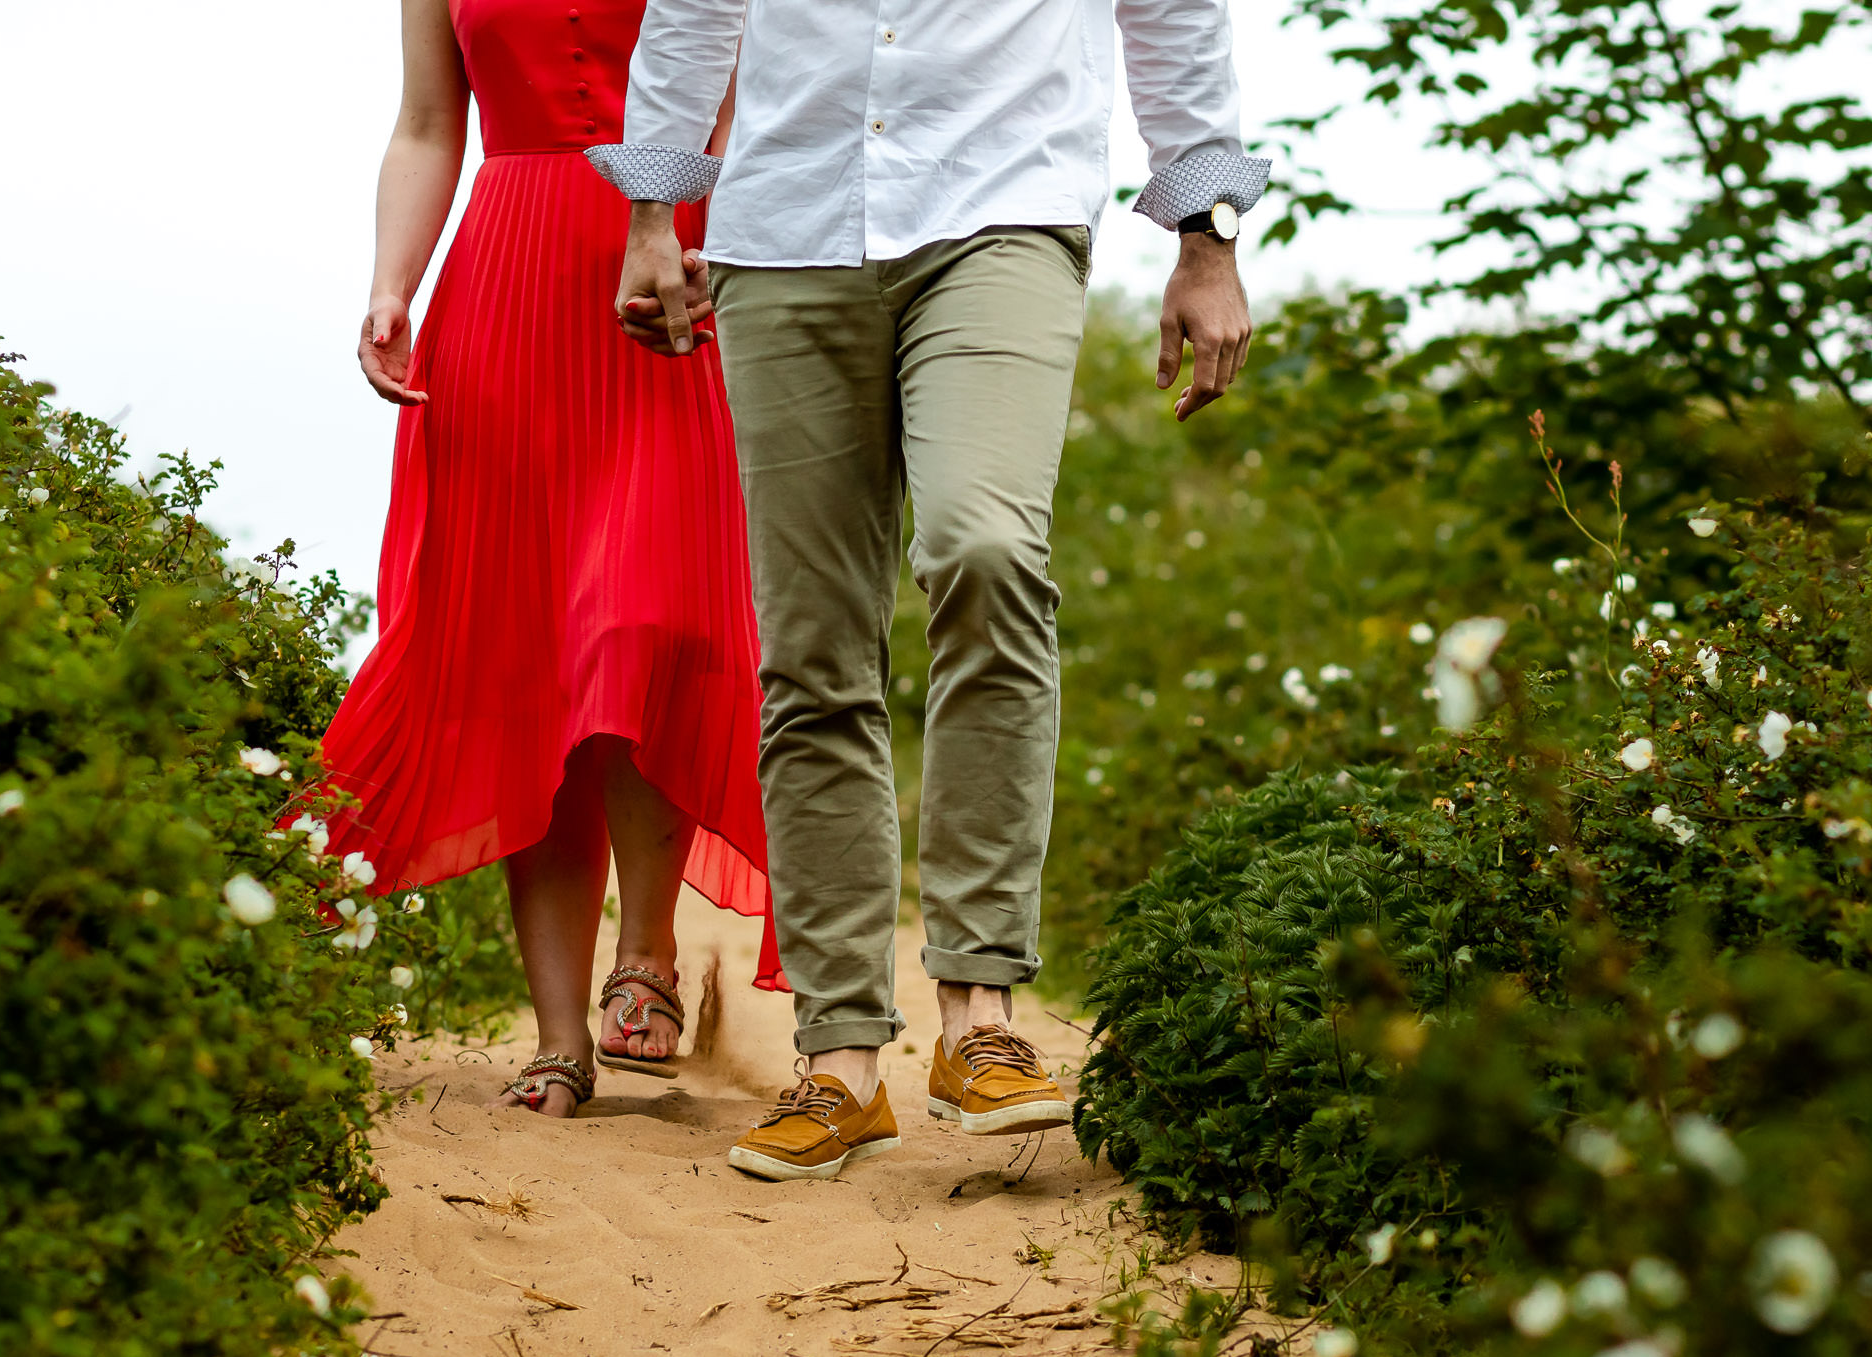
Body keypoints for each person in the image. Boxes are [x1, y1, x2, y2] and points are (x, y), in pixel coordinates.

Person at [588, 0, 1266, 1177]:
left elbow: (1173, 16)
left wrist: (1207, 243)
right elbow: (696, 9)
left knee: (986, 551)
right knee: (812, 643)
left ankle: (981, 1013)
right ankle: (840, 1053)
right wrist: (655, 213)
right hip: (787, 228)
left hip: (1003, 208)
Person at [316, 0, 780, 1119]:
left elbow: (747, 99)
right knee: (536, 658)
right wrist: (393, 285)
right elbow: (429, 124)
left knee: (643, 619)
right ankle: (560, 1033)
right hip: (506, 288)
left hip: (666, 274)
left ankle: (651, 946)